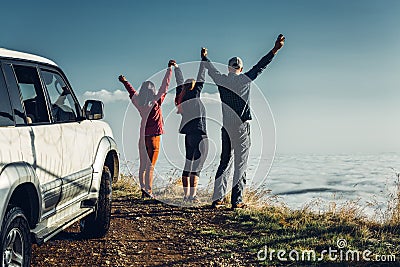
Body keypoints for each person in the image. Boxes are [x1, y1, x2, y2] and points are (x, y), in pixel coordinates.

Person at [202, 34, 285, 209]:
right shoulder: (245, 80)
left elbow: (210, 69)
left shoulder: (222, 80)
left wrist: (204, 57)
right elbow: (261, 66)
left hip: (226, 127)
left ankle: (217, 199)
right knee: (240, 163)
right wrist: (275, 50)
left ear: (228, 68)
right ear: (241, 68)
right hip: (241, 127)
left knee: (225, 161)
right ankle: (236, 201)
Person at [118, 63, 172, 199]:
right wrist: (169, 70)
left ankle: (143, 189)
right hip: (154, 137)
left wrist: (125, 82)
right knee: (150, 166)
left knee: (143, 165)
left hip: (142, 138)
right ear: (153, 91)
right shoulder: (156, 101)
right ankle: (149, 191)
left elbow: (132, 92)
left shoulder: (139, 102)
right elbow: (164, 87)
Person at [171, 54, 208, 204]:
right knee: (197, 166)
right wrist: (203, 59)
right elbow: (201, 77)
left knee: (188, 164)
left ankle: (186, 195)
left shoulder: (182, 96)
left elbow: (179, 82)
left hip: (188, 136)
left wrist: (177, 68)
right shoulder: (195, 94)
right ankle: (192, 196)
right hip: (199, 134)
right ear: (193, 86)